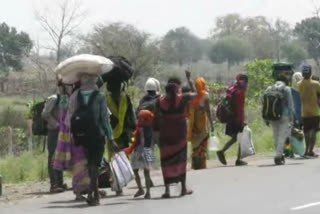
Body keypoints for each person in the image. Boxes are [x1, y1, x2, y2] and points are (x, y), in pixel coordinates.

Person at [67, 73, 117, 206]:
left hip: (82, 135)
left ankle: (93, 193)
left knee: (90, 164)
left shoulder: (75, 96)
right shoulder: (100, 96)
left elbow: (70, 117)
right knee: (96, 164)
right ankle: (92, 193)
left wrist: (73, 134)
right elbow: (105, 119)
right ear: (95, 81)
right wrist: (111, 137)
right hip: (97, 134)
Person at [157, 77, 196, 198]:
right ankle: (183, 188)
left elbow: (157, 117)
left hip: (166, 135)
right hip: (180, 135)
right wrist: (189, 81)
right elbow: (195, 94)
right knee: (181, 160)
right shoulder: (182, 98)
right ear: (176, 90)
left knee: (166, 162)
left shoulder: (160, 101)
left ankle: (167, 190)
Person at [105, 80, 136, 195]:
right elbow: (131, 115)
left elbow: (130, 114)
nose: (116, 92)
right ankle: (118, 186)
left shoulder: (123, 98)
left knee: (119, 158)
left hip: (118, 133)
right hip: (114, 133)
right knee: (116, 159)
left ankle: (120, 183)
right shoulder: (120, 98)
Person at [217, 74, 248, 166]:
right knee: (241, 138)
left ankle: (222, 152)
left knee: (235, 138)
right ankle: (238, 160)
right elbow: (240, 109)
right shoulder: (240, 92)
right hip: (237, 119)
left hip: (230, 118)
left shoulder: (232, 88)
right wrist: (242, 121)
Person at [124, 110, 156, 199]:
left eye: (140, 118)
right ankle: (148, 192)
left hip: (140, 151)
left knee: (135, 170)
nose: (138, 119)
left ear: (144, 119)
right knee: (147, 172)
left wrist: (131, 147)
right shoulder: (150, 128)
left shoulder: (140, 129)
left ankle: (140, 188)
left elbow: (137, 142)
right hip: (149, 151)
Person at [267, 74, 295, 165]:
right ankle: (278, 156)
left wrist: (266, 119)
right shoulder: (287, 89)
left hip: (272, 115)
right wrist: (292, 118)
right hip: (284, 116)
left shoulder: (269, 88)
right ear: (285, 82)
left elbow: (264, 104)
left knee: (275, 135)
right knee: (282, 136)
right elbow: (290, 105)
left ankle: (279, 154)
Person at [42, 85, 64, 193]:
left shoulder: (66, 99)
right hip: (54, 131)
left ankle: (60, 183)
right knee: (52, 157)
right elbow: (45, 114)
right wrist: (56, 124)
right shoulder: (54, 99)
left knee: (60, 156)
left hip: (62, 132)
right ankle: (53, 184)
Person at [187, 77, 214, 170]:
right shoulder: (205, 95)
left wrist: (188, 78)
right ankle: (202, 165)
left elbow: (192, 87)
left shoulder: (193, 95)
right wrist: (212, 124)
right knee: (202, 145)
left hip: (193, 125)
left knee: (195, 147)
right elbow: (208, 111)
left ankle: (194, 165)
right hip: (202, 124)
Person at [298, 65, 320, 158]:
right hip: (315, 112)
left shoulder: (299, 84)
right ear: (310, 73)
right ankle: (311, 150)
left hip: (304, 112)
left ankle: (306, 150)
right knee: (314, 132)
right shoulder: (316, 84)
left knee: (306, 132)